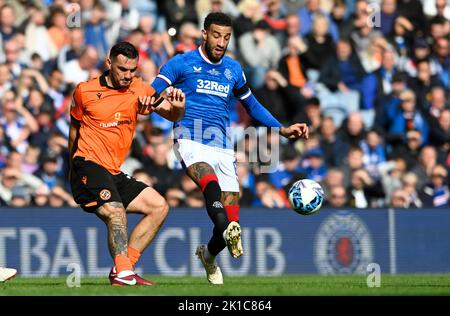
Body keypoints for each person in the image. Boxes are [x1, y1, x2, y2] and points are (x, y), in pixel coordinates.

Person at [151, 12, 309, 285]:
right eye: (216, 35)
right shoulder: (182, 63)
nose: (221, 42)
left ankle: (209, 256)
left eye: (226, 37)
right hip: (189, 137)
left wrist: (281, 128)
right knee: (207, 179)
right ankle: (226, 230)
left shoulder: (233, 69)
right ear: (204, 34)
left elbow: (252, 106)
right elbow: (151, 92)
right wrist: (157, 103)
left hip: (222, 146)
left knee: (229, 221)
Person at [69, 42, 185, 286]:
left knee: (159, 206)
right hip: (87, 163)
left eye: (132, 70)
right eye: (122, 69)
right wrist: (74, 167)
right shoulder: (85, 91)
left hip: (113, 170)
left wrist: (178, 107)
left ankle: (124, 268)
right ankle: (123, 274)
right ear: (109, 64)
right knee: (115, 211)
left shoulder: (140, 89)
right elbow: (74, 129)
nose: (127, 75)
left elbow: (172, 114)